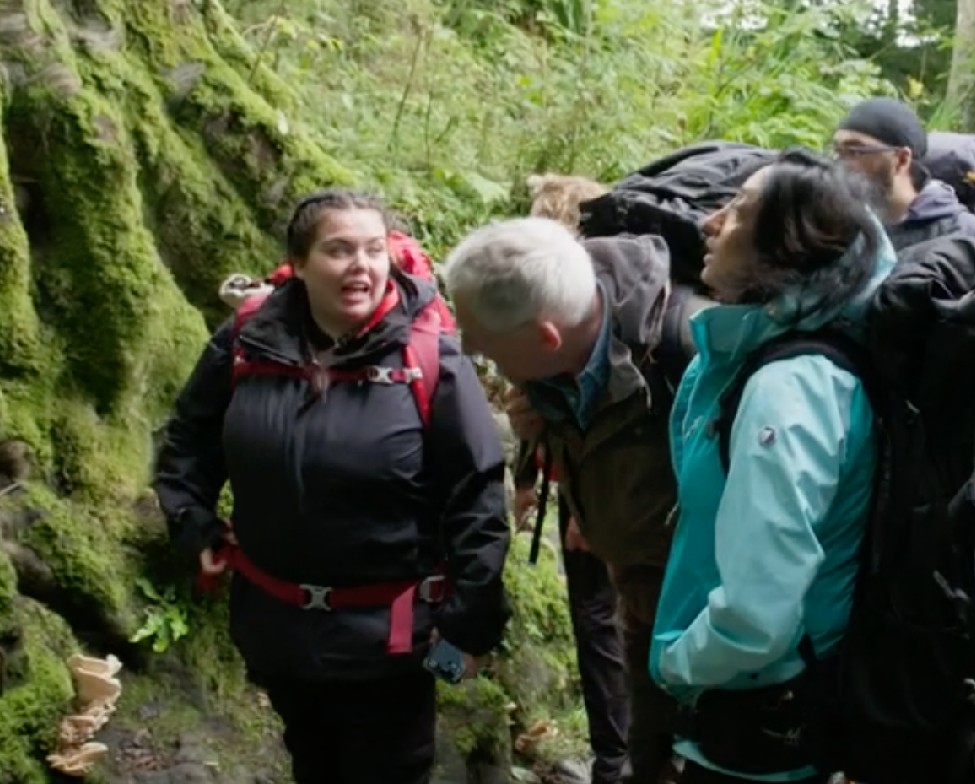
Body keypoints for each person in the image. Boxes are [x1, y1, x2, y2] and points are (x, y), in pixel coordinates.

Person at [153, 189, 512, 784]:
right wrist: (192, 524)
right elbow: (189, 439)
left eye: (374, 250)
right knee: (312, 762)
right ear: (298, 263)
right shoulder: (247, 339)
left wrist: (470, 622)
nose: (361, 266)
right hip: (278, 628)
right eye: (339, 250)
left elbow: (476, 494)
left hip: (391, 644)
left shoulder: (429, 358)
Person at [649, 148, 894, 784]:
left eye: (739, 211)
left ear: (786, 249)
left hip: (762, 716)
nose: (710, 221)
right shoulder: (767, 359)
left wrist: (678, 665)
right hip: (758, 704)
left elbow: (760, 612)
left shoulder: (788, 387)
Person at [440, 216, 712, 784]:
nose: (470, 349)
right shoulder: (561, 349)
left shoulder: (693, 351)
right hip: (643, 594)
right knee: (649, 753)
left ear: (545, 336)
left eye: (483, 341)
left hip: (715, 619)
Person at [517, 172, 632, 783]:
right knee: (615, 619)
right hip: (603, 486)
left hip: (597, 491)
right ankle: (628, 754)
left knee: (600, 621)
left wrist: (542, 488)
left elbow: (538, 402)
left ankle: (617, 758)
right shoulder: (625, 288)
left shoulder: (571, 293)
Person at [830, 97, 975, 249]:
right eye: (837, 150)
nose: (838, 162)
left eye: (854, 151)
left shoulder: (967, 239)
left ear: (902, 160)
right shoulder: (847, 226)